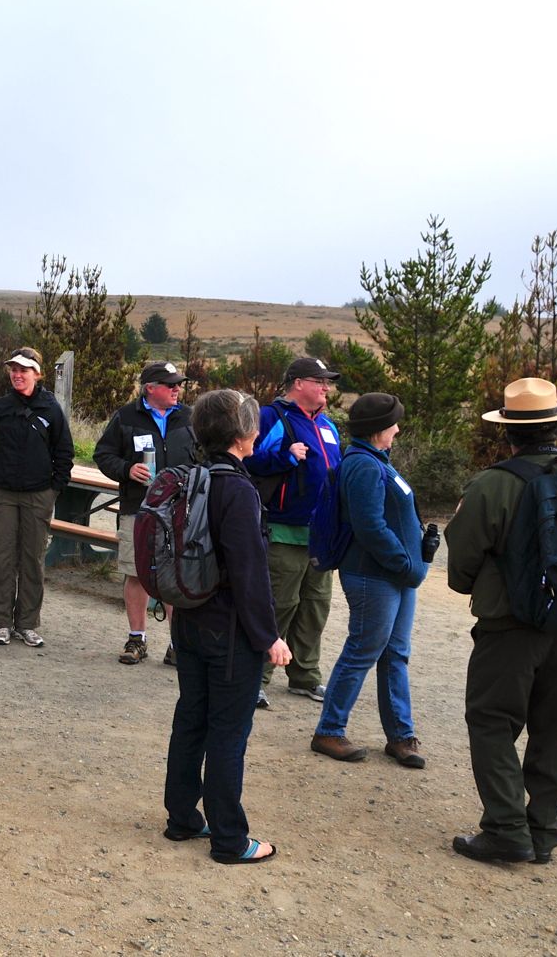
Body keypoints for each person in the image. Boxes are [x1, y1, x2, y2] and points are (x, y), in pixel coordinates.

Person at [445, 378, 557, 865]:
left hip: (510, 628)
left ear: (508, 433)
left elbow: (461, 567)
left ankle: (506, 829)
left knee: (492, 722)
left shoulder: (492, 485)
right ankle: (542, 831)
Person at [163, 389, 291, 864]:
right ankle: (230, 840)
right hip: (230, 631)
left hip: (189, 619)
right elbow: (249, 573)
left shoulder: (191, 478)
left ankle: (182, 817)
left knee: (191, 719)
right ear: (243, 434)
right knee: (228, 732)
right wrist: (270, 637)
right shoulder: (238, 489)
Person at [310, 393, 430, 767]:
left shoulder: (377, 461)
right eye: (393, 423)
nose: (397, 429)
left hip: (394, 576)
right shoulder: (363, 465)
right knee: (363, 650)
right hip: (373, 575)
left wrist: (416, 552)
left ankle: (400, 736)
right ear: (378, 428)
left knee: (396, 654)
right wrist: (406, 564)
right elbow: (370, 527)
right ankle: (328, 731)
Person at [242, 357, 343, 708]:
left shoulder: (329, 426)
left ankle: (305, 676)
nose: (326, 387)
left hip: (321, 535)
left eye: (328, 382)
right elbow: (246, 458)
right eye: (320, 381)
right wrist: (285, 457)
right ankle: (255, 678)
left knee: (315, 607)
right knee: (279, 605)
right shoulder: (272, 417)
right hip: (283, 531)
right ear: (298, 383)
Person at [95, 361, 196, 665]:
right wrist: (127, 469)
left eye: (179, 384)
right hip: (137, 510)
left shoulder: (190, 418)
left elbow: (206, 456)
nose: (177, 389)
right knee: (136, 572)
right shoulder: (126, 417)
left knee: (176, 577)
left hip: (180, 511)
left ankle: (178, 644)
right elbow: (103, 455)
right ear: (150, 388)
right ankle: (136, 639)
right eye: (171, 384)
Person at [0, 348, 73, 646]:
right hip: (1, 494)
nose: (17, 374)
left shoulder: (51, 409)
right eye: (13, 369)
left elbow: (64, 452)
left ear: (37, 374)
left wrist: (54, 489)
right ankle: (1, 622)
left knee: (32, 560)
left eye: (24, 370)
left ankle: (27, 623)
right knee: (1, 559)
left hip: (38, 495)